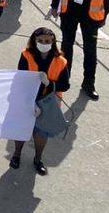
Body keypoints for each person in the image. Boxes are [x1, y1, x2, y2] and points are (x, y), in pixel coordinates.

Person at [47, 0, 109, 100]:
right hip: (70, 13)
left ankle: (89, 83)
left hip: (91, 17)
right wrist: (54, 6)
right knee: (66, 46)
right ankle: (64, 78)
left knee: (90, 51)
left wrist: (103, 16)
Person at [9, 26, 69, 175]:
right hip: (28, 99)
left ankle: (38, 159)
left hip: (49, 102)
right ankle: (16, 154)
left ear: (53, 41)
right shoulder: (26, 55)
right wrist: (29, 102)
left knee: (41, 132)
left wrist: (50, 84)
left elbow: (65, 85)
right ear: (34, 41)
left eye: (47, 41)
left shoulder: (60, 61)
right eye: (40, 41)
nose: (44, 43)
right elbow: (21, 78)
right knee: (22, 129)